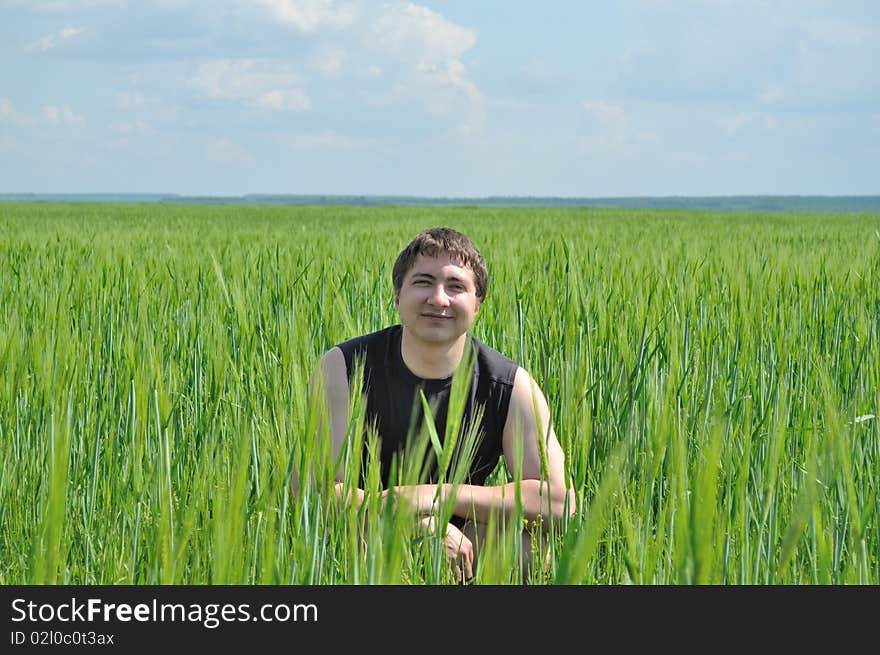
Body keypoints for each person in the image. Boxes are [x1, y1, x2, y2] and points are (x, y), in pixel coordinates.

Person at [299, 227, 575, 581]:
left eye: (456, 286)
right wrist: (411, 524)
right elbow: (314, 491)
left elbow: (558, 504)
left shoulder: (510, 385)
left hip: (471, 537)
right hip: (366, 530)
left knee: (529, 547)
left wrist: (434, 497)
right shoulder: (343, 367)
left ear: (477, 305)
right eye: (423, 282)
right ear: (397, 295)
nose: (438, 299)